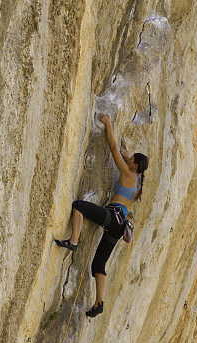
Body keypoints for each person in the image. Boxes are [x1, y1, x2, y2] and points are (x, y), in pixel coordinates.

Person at [55, 113, 148, 317]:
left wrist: (108, 125)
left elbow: (113, 148)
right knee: (99, 265)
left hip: (110, 217)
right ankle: (99, 303)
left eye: (132, 159)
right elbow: (130, 164)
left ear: (135, 166)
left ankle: (73, 240)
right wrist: (128, 158)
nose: (129, 159)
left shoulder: (126, 173)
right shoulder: (139, 183)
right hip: (120, 225)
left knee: (79, 206)